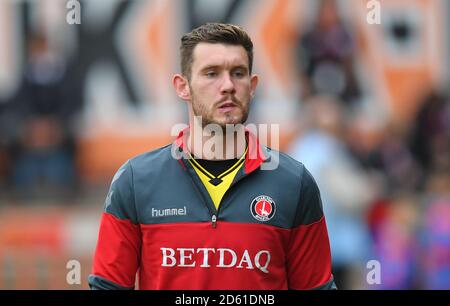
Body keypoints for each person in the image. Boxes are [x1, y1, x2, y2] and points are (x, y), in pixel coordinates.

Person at [88, 23, 335, 290]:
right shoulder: (136, 180)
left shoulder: (294, 183)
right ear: (182, 87)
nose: (228, 85)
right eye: (212, 73)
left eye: (238, 73)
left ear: (252, 86)